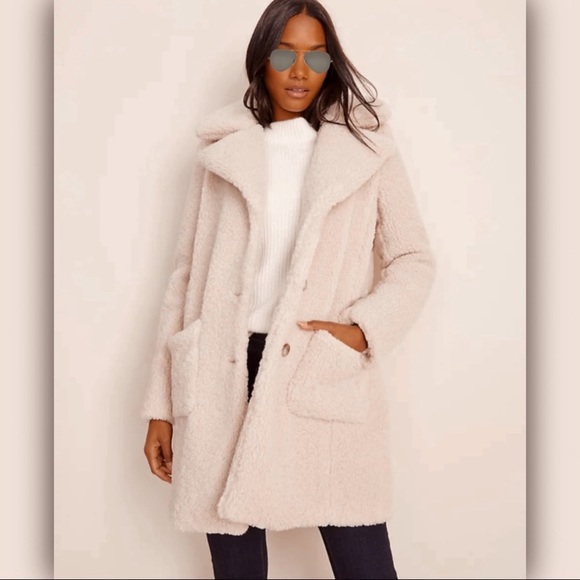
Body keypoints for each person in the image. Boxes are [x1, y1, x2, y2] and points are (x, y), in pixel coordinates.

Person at [142, 0, 436, 578]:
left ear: (331, 63)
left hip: (315, 365)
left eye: (316, 56)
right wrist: (161, 407)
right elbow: (185, 276)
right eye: (285, 54)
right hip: (222, 370)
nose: (300, 71)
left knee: (364, 561)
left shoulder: (365, 148)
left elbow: (413, 259)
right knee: (237, 566)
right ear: (262, 60)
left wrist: (360, 331)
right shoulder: (223, 150)